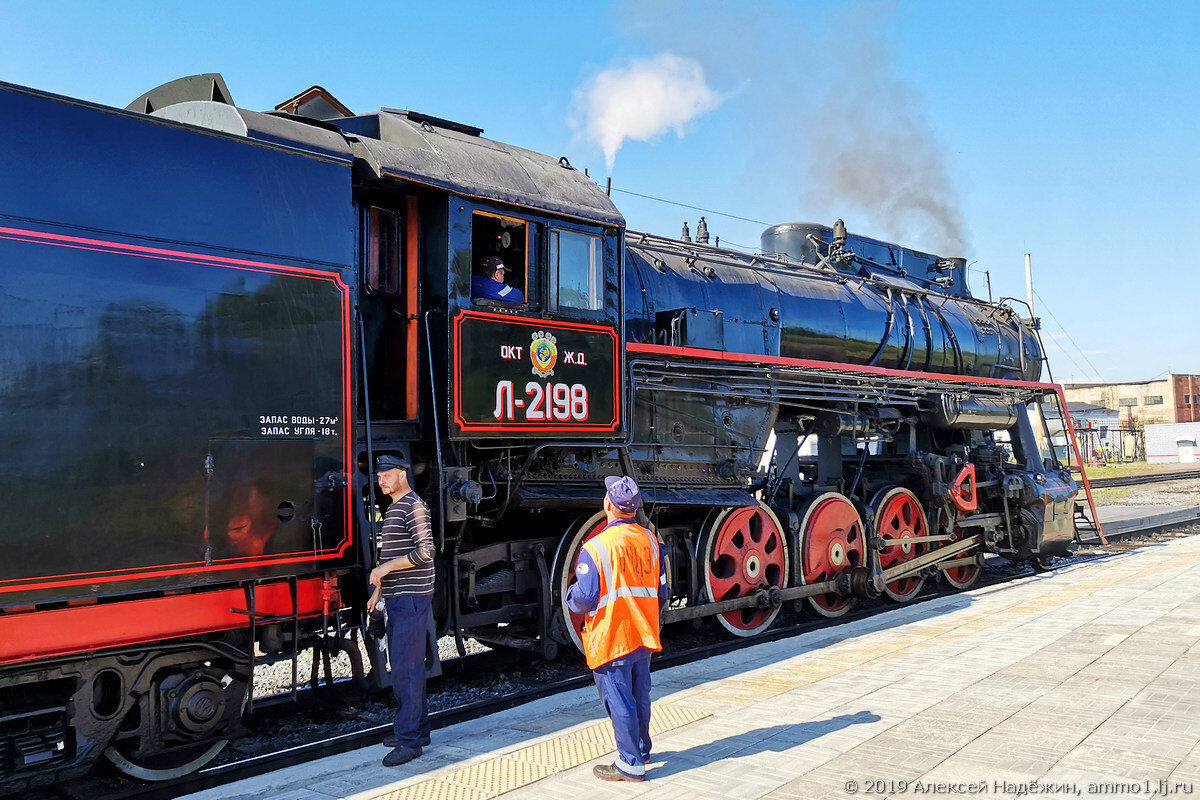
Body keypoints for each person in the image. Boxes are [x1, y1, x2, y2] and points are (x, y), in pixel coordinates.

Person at [566, 476, 668, 782]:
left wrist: (570, 596)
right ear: (634, 508)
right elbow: (662, 591)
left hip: (612, 635)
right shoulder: (651, 541)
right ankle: (641, 748)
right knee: (641, 695)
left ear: (607, 505)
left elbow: (582, 600)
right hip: (644, 632)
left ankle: (630, 764)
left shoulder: (596, 547)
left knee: (619, 698)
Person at [367, 454, 435, 767]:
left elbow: (426, 552)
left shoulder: (414, 506)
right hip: (398, 596)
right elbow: (393, 556)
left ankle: (409, 742)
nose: (380, 480)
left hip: (410, 598)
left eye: (385, 474)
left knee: (406, 669)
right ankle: (417, 730)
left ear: (402, 474)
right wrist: (379, 590)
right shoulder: (395, 507)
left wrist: (385, 569)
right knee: (407, 667)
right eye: (378, 475)